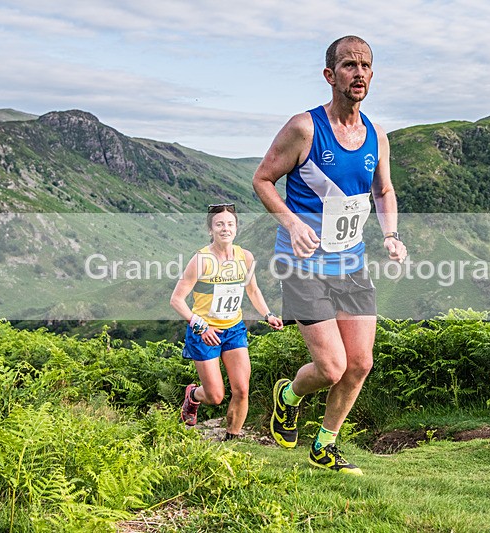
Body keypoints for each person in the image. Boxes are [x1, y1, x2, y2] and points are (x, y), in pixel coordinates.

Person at [252, 36, 407, 474]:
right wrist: (292, 223)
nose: (358, 73)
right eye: (348, 65)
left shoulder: (376, 134)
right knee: (333, 366)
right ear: (329, 75)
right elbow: (262, 180)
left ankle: (324, 446)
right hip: (303, 265)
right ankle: (288, 396)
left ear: (372, 75)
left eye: (365, 66)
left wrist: (391, 234)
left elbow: (383, 189)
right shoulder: (305, 128)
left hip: (351, 263)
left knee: (359, 364)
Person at [170, 203, 283, 440]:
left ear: (236, 228)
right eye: (219, 224)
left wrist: (268, 314)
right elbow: (177, 300)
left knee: (242, 389)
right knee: (215, 396)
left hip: (233, 329)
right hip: (204, 332)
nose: (225, 228)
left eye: (230, 224)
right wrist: (200, 326)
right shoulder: (201, 260)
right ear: (210, 229)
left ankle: (232, 439)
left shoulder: (246, 257)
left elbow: (252, 290)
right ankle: (192, 396)